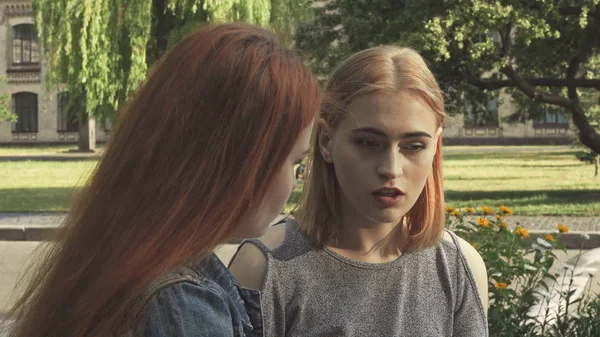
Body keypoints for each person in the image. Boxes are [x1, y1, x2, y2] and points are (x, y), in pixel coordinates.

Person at [5, 23, 321, 337]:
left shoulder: (119, 251)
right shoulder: (185, 304)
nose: (294, 184)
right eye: (295, 162)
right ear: (242, 161)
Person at [229, 46, 489, 336]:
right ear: (326, 142)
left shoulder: (458, 267)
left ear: (435, 147)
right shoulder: (263, 267)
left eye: (414, 146)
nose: (391, 168)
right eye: (368, 143)